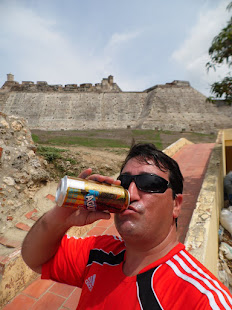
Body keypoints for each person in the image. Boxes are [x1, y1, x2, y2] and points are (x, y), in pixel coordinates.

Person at [22, 143, 232, 309]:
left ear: (175, 205)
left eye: (149, 183)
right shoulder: (99, 253)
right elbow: (35, 258)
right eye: (124, 183)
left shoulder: (201, 299)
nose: (130, 194)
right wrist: (62, 216)